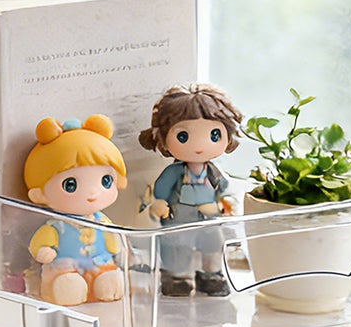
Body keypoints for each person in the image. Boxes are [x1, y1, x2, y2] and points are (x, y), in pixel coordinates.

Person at [137, 83, 245, 297]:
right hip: (180, 217)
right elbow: (161, 191)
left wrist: (227, 203)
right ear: (164, 137)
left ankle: (211, 275)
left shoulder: (214, 172)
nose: (199, 146)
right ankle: (176, 278)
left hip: (209, 216)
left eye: (214, 135)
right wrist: (159, 204)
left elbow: (223, 190)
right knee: (177, 247)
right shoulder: (174, 173)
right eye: (183, 137)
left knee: (213, 245)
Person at [23, 114, 127, 304]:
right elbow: (41, 243)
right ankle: (67, 288)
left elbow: (113, 240)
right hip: (65, 267)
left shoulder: (100, 220)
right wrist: (44, 250)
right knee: (67, 283)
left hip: (99, 263)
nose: (92, 193)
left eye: (106, 181)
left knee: (109, 279)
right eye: (70, 185)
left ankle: (106, 283)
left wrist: (116, 246)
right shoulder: (57, 226)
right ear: (40, 194)